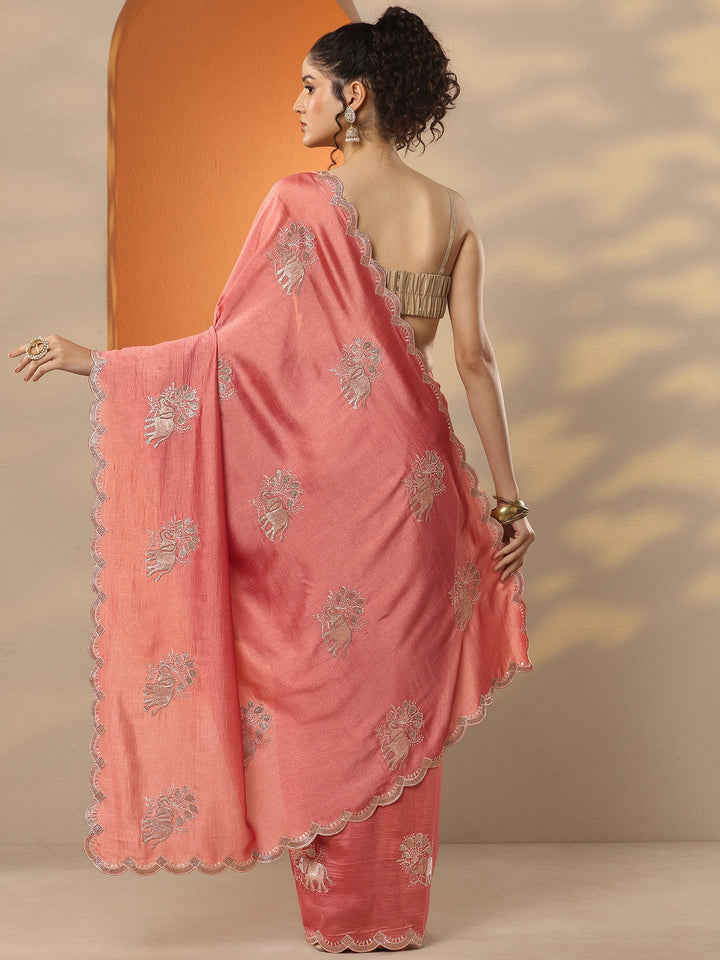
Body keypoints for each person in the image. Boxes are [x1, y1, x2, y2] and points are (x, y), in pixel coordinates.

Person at [9, 7, 534, 953]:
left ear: (354, 94)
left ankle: (341, 918)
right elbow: (475, 361)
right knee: (398, 699)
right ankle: (392, 915)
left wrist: (98, 362)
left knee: (324, 693)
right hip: (420, 490)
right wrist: (506, 501)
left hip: (328, 497)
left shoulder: (302, 202)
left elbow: (233, 356)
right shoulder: (453, 212)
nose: (296, 104)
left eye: (308, 86)